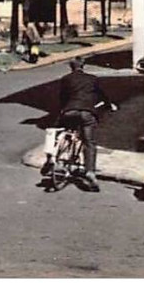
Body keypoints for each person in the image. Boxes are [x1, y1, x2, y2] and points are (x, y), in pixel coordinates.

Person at [57, 59, 116, 191]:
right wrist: (109, 105)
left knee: (68, 129)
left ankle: (60, 156)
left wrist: (63, 110)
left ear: (71, 68)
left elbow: (62, 97)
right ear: (83, 66)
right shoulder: (92, 79)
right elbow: (101, 95)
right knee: (89, 141)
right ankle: (90, 171)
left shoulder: (66, 79)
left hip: (69, 111)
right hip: (87, 112)